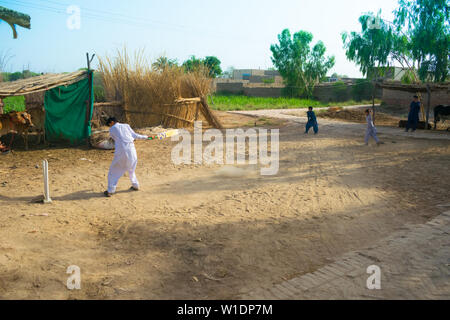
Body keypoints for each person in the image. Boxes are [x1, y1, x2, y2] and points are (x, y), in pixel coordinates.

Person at [104, 117, 149, 197]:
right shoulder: (126, 125)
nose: (109, 126)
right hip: (132, 151)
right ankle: (135, 185)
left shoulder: (112, 129)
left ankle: (110, 191)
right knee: (131, 169)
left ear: (112, 122)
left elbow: (116, 139)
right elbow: (135, 135)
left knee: (113, 171)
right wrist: (146, 137)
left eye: (109, 124)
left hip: (121, 152)